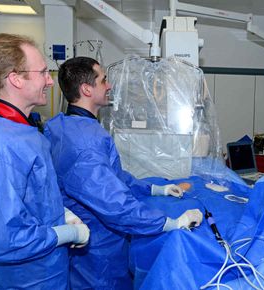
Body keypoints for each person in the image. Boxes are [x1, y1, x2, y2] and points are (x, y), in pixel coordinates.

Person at [44, 56, 203, 289]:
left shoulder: (65, 126)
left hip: (93, 249)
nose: (109, 86)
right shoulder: (84, 142)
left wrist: (155, 188)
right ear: (87, 89)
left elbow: (111, 176)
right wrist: (171, 223)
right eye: (103, 80)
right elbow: (114, 203)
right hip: (98, 256)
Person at [0, 33, 90, 289]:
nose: (49, 82)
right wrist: (68, 233)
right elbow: (2, 239)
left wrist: (61, 213)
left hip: (42, 273)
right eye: (42, 72)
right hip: (21, 281)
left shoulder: (19, 130)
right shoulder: (0, 144)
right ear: (16, 79)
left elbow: (28, 195)